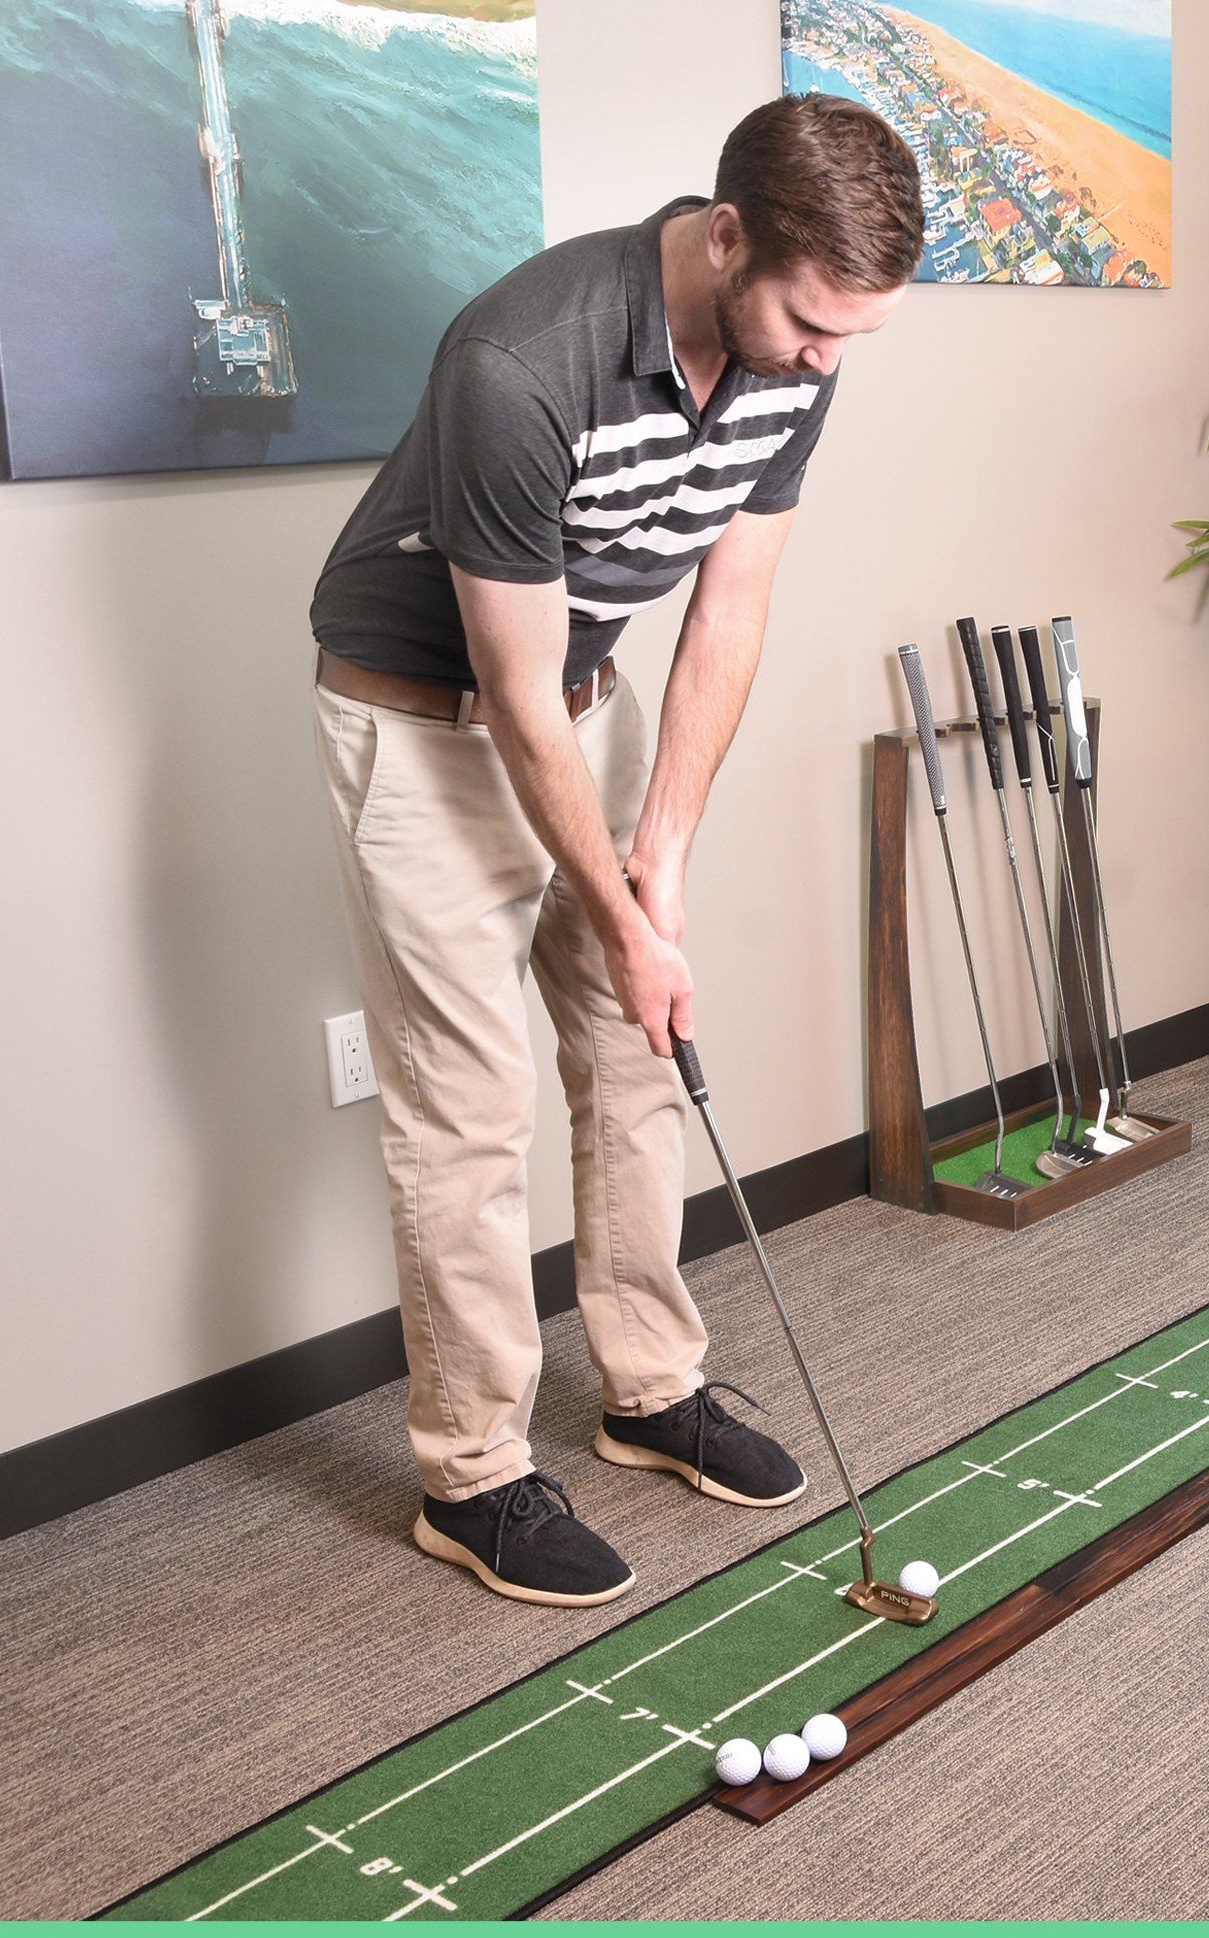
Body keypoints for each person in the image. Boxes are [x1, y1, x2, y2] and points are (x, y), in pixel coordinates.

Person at [308, 96, 924, 1608]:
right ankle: (476, 1476)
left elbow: (728, 614)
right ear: (727, 238)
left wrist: (664, 863)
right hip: (425, 714)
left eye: (855, 333)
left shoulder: (801, 353)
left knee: (636, 1051)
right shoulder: (519, 363)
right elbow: (506, 696)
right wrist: (621, 908)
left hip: (592, 694)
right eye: (809, 319)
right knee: (467, 1112)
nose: (827, 360)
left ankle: (647, 1388)